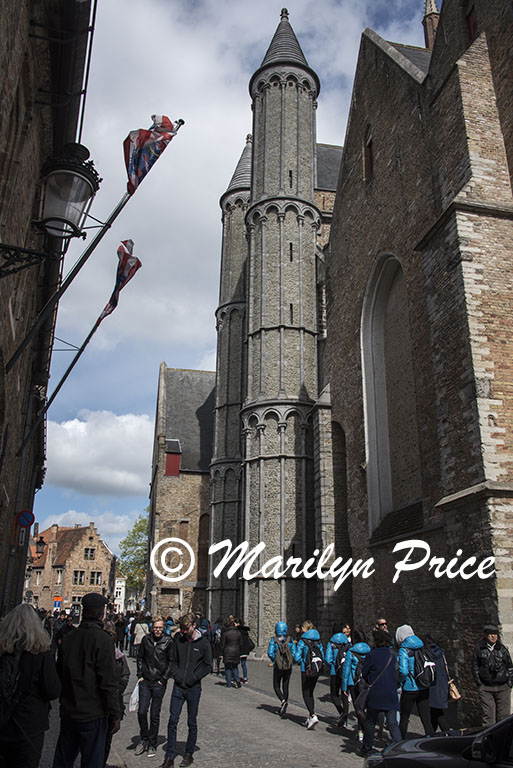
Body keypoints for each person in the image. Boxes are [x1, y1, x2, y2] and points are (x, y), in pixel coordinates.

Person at [52, 592, 121, 768]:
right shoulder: (103, 640)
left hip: (69, 711)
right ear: (101, 613)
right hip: (93, 714)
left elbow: (59, 673)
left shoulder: (69, 638)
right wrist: (115, 714)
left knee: (63, 760)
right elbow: (108, 682)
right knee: (92, 762)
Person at [0, 603, 61, 768]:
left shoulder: (3, 650)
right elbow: (52, 690)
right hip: (29, 725)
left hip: (4, 720)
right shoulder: (41, 653)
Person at [161, 613, 212, 768]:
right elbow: (173, 660)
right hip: (178, 686)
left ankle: (188, 754)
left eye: (186, 628)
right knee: (173, 721)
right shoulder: (179, 641)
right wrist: (176, 675)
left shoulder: (203, 643)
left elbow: (207, 665)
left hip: (193, 688)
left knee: (192, 721)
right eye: (182, 628)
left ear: (194, 626)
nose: (184, 631)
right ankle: (169, 757)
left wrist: (194, 677)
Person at [359, 629, 402, 757]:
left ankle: (367, 748)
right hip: (390, 692)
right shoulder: (392, 654)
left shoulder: (372, 655)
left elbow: (365, 673)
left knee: (371, 721)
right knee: (392, 722)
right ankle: (400, 748)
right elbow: (397, 672)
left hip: (376, 693)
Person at [136, 616, 174, 758]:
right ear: (152, 627)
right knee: (141, 711)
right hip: (145, 680)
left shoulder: (168, 641)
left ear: (163, 628)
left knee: (154, 714)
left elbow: (171, 661)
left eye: (160, 628)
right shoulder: (146, 640)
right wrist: (140, 674)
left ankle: (152, 743)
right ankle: (144, 738)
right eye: (155, 627)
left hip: (158, 682)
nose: (157, 630)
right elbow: (140, 657)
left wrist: (164, 679)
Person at [396, 624, 435, 739]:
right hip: (423, 685)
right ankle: (430, 737)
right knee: (425, 716)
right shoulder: (421, 646)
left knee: (404, 716)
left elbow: (403, 671)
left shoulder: (404, 650)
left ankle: (400, 741)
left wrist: (401, 681)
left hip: (410, 687)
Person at [472, 624, 513, 727]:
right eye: (491, 634)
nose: (493, 636)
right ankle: (489, 739)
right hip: (486, 687)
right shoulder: (479, 649)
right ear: (486, 635)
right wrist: (479, 683)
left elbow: (509, 666)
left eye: (495, 634)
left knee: (503, 717)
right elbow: (475, 666)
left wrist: (509, 683)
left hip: (503, 686)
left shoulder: (502, 649)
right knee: (488, 717)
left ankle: (504, 739)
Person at [103, 621, 130, 767]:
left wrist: (119, 690)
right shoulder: (96, 653)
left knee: (107, 739)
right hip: (97, 705)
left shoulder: (119, 657)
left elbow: (125, 675)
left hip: (113, 703)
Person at [292, 620, 324, 729]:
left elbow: (296, 656)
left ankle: (312, 715)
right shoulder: (318, 640)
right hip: (316, 669)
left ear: (305, 628)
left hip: (306, 670)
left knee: (305, 693)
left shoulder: (303, 640)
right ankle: (310, 717)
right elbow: (322, 655)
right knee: (311, 693)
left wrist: (302, 662)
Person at [342, 634, 371, 742]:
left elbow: (346, 670)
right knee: (365, 708)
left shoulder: (351, 652)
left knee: (358, 708)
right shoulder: (369, 650)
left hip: (353, 683)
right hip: (366, 682)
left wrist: (344, 688)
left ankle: (362, 731)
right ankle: (361, 730)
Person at [325, 622, 351, 726]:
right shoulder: (347, 641)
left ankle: (342, 714)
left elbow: (327, 659)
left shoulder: (331, 642)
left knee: (334, 695)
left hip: (334, 672)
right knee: (344, 694)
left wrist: (331, 666)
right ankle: (345, 715)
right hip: (345, 671)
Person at [267, 621, 295, 716]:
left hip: (278, 667)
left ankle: (283, 701)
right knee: (285, 685)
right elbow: (294, 652)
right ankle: (285, 703)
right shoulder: (290, 640)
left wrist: (275, 660)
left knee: (276, 685)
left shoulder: (274, 639)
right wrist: (291, 661)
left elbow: (270, 653)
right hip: (288, 667)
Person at [220, 617, 242, 688]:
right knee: (235, 667)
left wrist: (221, 653)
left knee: (227, 668)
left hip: (227, 651)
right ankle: (238, 680)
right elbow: (241, 643)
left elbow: (222, 644)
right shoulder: (238, 633)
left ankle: (229, 683)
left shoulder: (226, 633)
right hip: (236, 651)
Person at [236, 618, 254, 683]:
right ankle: (245, 678)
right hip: (245, 650)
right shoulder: (245, 632)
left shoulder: (237, 631)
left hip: (239, 650)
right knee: (243, 664)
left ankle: (236, 677)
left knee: (236, 664)